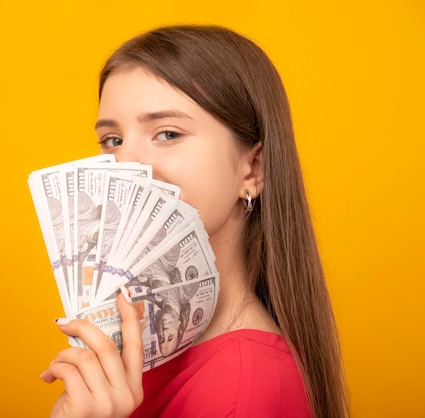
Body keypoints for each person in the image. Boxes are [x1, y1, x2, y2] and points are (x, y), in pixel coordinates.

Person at [39, 25, 350, 418]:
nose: (124, 166)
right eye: (112, 140)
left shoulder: (243, 388)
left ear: (252, 169)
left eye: (168, 133)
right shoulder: (142, 352)